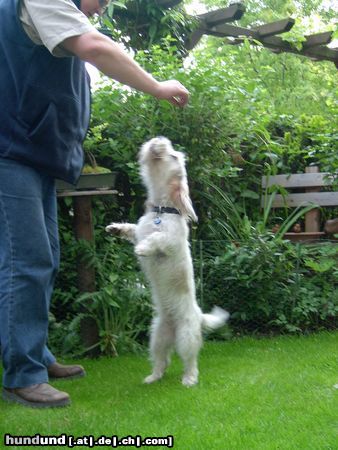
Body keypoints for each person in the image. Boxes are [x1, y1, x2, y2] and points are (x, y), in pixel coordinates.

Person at [0, 0, 189, 408]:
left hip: (29, 153)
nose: (104, 5)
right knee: (26, 259)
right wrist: (157, 87)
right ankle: (23, 374)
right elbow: (96, 47)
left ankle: (35, 354)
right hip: (9, 152)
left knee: (44, 256)